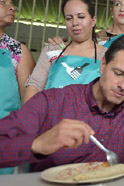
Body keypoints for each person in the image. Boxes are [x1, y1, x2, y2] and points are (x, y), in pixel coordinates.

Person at [0, 34, 124, 172]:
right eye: (118, 73)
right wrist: (37, 144)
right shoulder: (52, 101)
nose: (123, 85)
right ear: (103, 65)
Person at [23, 0, 103, 104]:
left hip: (89, 118)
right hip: (51, 116)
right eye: (69, 18)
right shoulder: (53, 50)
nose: (75, 23)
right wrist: (30, 116)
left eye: (81, 17)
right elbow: (34, 86)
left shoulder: (107, 55)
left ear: (93, 20)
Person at [0, 0, 35, 174]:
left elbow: (29, 103)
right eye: (3, 2)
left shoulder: (17, 51)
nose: (12, 7)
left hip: (4, 137)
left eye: (12, 4)